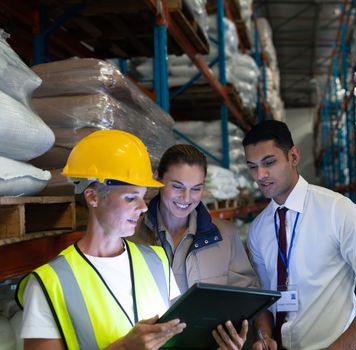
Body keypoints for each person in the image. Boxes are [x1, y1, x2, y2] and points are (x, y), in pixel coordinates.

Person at [15, 130, 245, 350]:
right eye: (130, 197)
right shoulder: (49, 283)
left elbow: (177, 343)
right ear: (93, 196)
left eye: (143, 196)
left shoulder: (156, 261)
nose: (143, 207)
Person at [243, 120, 356, 350]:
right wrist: (264, 335)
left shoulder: (338, 210)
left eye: (269, 162)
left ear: (294, 157)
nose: (260, 175)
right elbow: (265, 298)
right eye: (252, 166)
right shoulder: (258, 229)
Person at [130, 144, 259, 344]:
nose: (186, 198)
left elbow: (245, 303)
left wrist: (237, 340)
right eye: (177, 186)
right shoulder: (132, 236)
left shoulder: (226, 235)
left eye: (196, 189)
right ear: (158, 179)